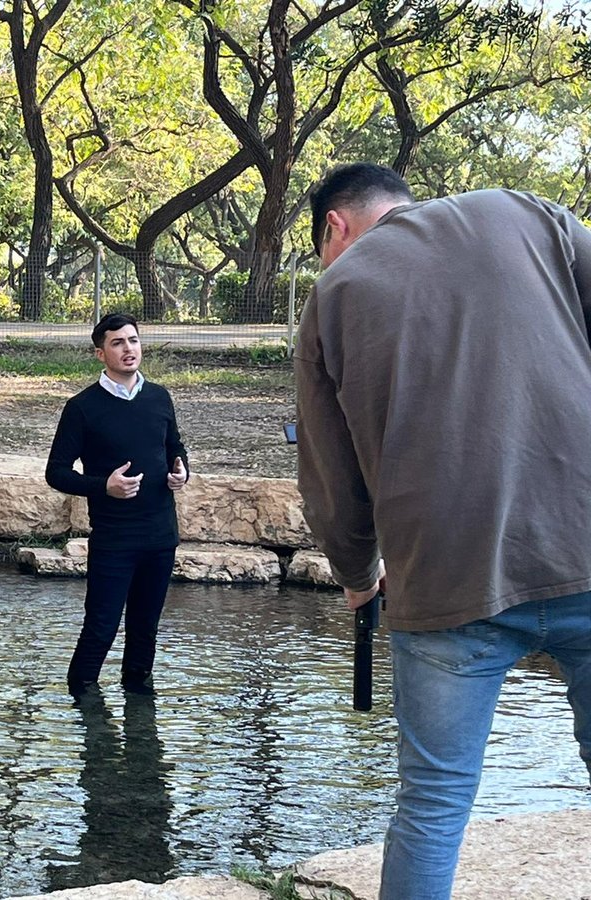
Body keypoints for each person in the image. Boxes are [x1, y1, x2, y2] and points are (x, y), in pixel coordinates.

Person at [295, 162, 591, 899]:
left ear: (336, 226)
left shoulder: (336, 290)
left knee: (432, 803)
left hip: (445, 579)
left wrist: (360, 581)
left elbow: (333, 483)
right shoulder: (529, 214)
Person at [45, 312, 188, 697]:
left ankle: (141, 718)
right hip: (114, 537)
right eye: (118, 343)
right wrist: (102, 486)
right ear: (100, 353)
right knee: (102, 625)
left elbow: (174, 446)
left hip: (160, 534)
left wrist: (182, 471)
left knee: (146, 627)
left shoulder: (160, 397)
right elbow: (56, 472)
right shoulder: (82, 408)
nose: (128, 349)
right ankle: (85, 709)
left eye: (133, 340)